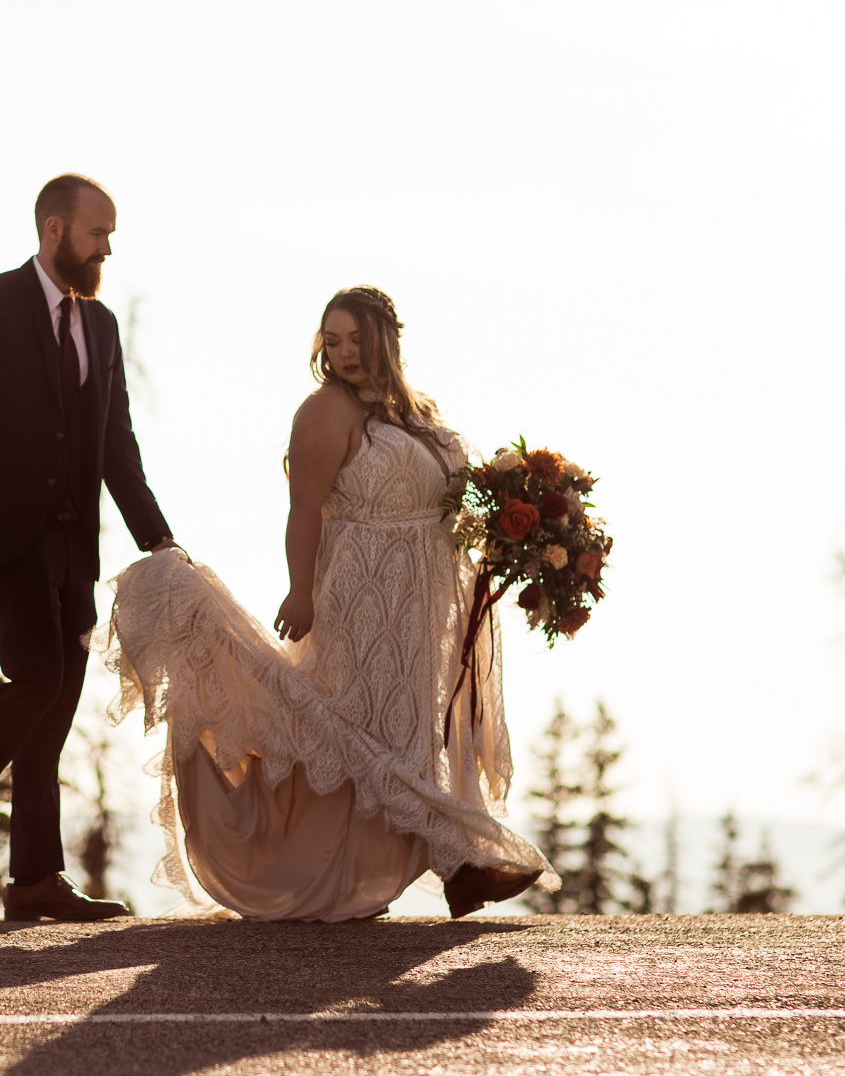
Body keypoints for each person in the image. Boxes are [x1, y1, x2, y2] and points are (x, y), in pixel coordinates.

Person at [96, 286, 558, 920]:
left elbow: (458, 502)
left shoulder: (417, 413)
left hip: (425, 607)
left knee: (414, 733)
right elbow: (303, 510)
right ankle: (458, 862)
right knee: (359, 732)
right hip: (361, 596)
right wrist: (301, 590)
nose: (343, 353)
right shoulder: (324, 410)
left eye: (355, 339)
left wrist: (523, 527)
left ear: (386, 339)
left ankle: (432, 863)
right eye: (331, 340)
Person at [0, 174, 177, 921]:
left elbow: (117, 445)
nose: (106, 247)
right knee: (34, 683)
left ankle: (34, 880)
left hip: (74, 547)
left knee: (51, 713)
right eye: (97, 233)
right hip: (8, 539)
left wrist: (159, 541)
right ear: (55, 229)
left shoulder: (103, 326)